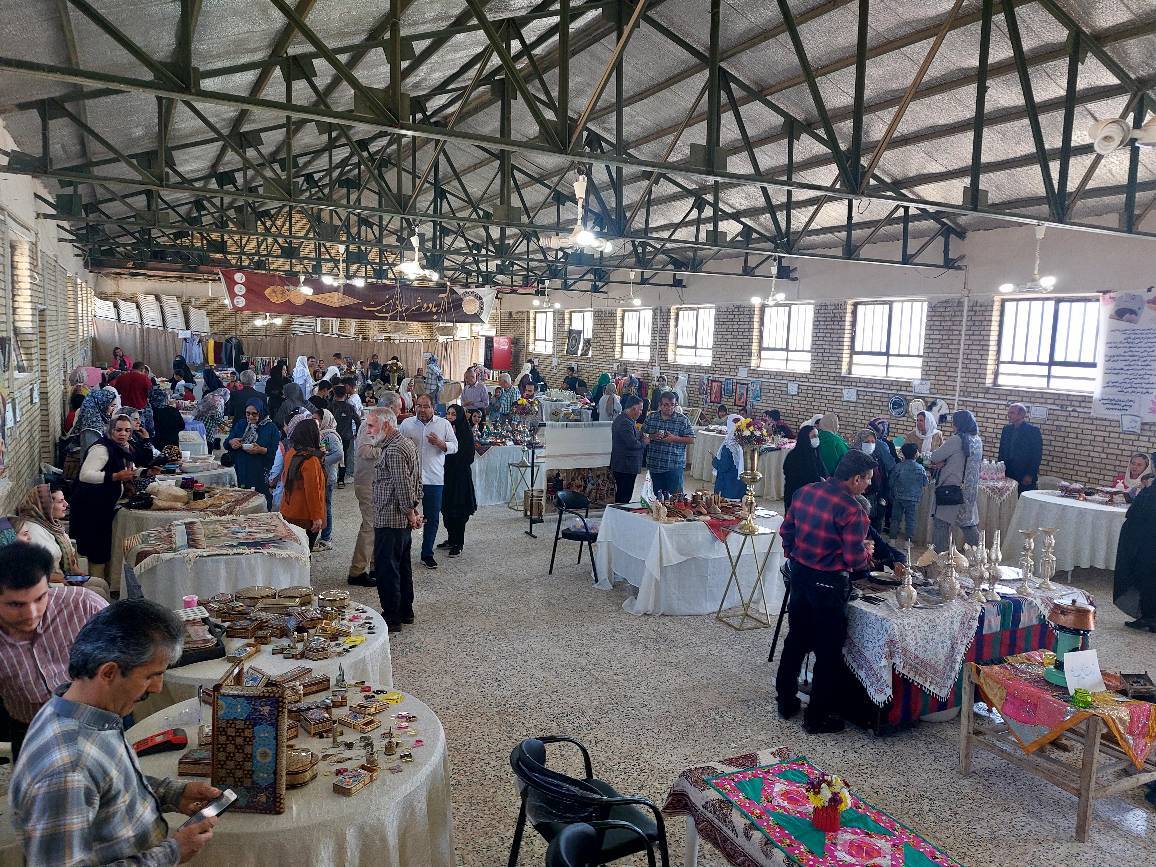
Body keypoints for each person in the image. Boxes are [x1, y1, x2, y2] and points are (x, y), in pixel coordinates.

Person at [10, 598, 219, 864]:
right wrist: (172, 853)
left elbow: (108, 784)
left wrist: (171, 793)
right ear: (109, 672)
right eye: (150, 676)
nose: (157, 688)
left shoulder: (78, 708)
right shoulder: (68, 769)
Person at [776, 450, 876, 734]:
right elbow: (855, 561)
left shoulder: (805, 492)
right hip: (830, 584)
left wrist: (798, 557)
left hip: (800, 576)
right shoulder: (852, 509)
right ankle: (816, 717)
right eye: (867, 480)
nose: (868, 485)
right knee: (828, 651)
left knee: (796, 639)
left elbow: (787, 532)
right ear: (856, 479)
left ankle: (785, 700)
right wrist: (866, 553)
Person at [0, 541, 107, 762]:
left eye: (40, 598)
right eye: (15, 605)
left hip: (96, 720)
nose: (31, 613)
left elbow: (130, 644)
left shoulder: (83, 605)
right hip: (30, 730)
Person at [371, 408, 423, 632]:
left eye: (372, 425)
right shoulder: (404, 443)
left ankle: (392, 616)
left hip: (391, 518)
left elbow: (403, 486)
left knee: (387, 569)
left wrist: (411, 513)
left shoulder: (394, 449)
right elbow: (416, 482)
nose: (368, 430)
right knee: (402, 566)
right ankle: (405, 610)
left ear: (386, 425)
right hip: (398, 517)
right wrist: (413, 510)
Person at [71, 414, 138, 580]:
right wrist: (114, 477)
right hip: (91, 507)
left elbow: (127, 472)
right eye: (119, 430)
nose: (123, 434)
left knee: (104, 547)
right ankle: (97, 588)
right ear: (110, 430)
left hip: (104, 506)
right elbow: (85, 475)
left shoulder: (123, 448)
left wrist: (145, 472)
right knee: (96, 549)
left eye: (127, 430)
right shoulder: (101, 449)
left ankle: (106, 586)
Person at [399, 394, 458, 569]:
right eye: (419, 406)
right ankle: (403, 553)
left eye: (425, 406)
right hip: (410, 479)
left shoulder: (443, 424)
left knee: (431, 518)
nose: (422, 410)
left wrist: (442, 444)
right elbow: (395, 445)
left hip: (434, 478)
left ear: (433, 408)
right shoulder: (407, 424)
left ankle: (427, 554)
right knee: (405, 516)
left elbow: (455, 446)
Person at [348, 402, 396, 587]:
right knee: (370, 526)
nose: (397, 414)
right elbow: (364, 450)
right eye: (396, 409)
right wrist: (387, 451)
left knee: (376, 526)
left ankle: (375, 565)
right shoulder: (370, 425)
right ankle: (357, 572)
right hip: (368, 483)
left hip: (376, 483)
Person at [929, 409, 983, 551]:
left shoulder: (957, 439)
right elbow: (961, 460)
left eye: (954, 423)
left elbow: (935, 457)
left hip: (952, 487)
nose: (953, 426)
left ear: (959, 424)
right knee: (968, 523)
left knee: (941, 523)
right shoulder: (977, 440)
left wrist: (943, 462)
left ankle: (938, 559)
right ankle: (980, 557)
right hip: (969, 489)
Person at [279, 416, 327, 550]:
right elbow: (313, 491)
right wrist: (317, 517)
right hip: (304, 515)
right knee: (305, 553)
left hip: (288, 510)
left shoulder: (292, 453)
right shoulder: (310, 461)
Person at [1115, 482, 1156, 631]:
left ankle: (1149, 618)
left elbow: (1134, 513)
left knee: (1147, 578)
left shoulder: (1151, 492)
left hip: (1148, 544)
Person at [439, 405, 477, 557]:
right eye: (448, 413)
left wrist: (453, 447)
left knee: (459, 511)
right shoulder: (444, 429)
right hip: (445, 475)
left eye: (454, 414)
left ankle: (458, 543)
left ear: (460, 416)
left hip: (460, 476)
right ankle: (451, 539)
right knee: (446, 509)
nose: (450, 417)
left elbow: (469, 456)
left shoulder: (464, 431)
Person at [642, 391, 695, 495]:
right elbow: (642, 435)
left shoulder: (682, 420)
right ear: (660, 405)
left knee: (675, 500)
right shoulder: (651, 418)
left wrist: (674, 438)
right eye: (666, 405)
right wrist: (652, 436)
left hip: (674, 466)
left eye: (673, 405)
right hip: (655, 465)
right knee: (656, 500)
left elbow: (692, 439)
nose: (670, 408)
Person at [226, 400, 279, 501]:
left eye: (254, 414)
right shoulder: (241, 424)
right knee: (240, 499)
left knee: (259, 500)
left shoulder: (271, 428)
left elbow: (276, 452)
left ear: (261, 412)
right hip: (241, 468)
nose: (250, 417)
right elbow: (227, 442)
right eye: (248, 413)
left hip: (260, 469)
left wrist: (261, 450)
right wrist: (232, 442)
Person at [313, 407, 343, 550]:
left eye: (317, 419)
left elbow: (338, 454)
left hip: (328, 476)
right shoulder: (320, 434)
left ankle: (326, 538)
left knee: (326, 506)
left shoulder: (330, 435)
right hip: (321, 475)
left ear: (324, 420)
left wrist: (321, 461)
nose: (315, 422)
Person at [997, 402, 1043, 492]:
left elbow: (1037, 455)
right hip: (1007, 471)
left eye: (1012, 413)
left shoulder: (1033, 431)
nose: (1008, 415)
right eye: (1008, 412)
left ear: (1021, 415)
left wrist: (1030, 474)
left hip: (1023, 473)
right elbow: (1001, 450)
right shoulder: (1006, 429)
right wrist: (999, 469)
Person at [889, 443, 929, 543]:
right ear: (916, 454)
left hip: (898, 496)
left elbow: (891, 481)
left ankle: (892, 540)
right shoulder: (920, 468)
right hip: (913, 498)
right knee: (911, 520)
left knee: (895, 519)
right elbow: (925, 483)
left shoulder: (898, 466)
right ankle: (908, 542)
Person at [608, 395, 645, 503]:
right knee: (624, 497)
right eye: (640, 409)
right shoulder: (625, 422)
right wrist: (644, 442)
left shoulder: (625, 419)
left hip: (624, 465)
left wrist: (640, 435)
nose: (641, 412)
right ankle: (620, 518)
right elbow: (632, 444)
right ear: (634, 409)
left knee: (623, 495)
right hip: (625, 465)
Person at [782, 424, 827, 510]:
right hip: (797, 495)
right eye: (813, 436)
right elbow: (797, 476)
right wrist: (818, 480)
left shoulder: (815, 453)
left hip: (814, 497)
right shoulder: (794, 456)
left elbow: (822, 470)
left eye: (817, 436)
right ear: (805, 438)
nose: (816, 439)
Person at [69, 386, 120, 454]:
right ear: (102, 404)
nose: (113, 409)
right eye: (112, 406)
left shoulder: (99, 419)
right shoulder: (92, 426)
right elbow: (92, 452)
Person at [852, 429, 885, 526]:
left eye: (873, 442)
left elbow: (882, 478)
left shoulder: (876, 457)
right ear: (860, 441)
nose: (870, 444)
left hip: (874, 498)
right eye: (866, 442)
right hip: (858, 498)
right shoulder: (852, 457)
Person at [331, 385, 361, 488]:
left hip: (333, 435)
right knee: (344, 457)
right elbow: (358, 420)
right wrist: (357, 432)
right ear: (345, 394)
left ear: (334, 394)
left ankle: (331, 476)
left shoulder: (331, 406)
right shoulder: (349, 407)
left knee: (330, 454)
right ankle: (341, 479)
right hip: (346, 435)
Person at [713, 414, 747, 499]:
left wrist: (714, 461)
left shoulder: (729, 446)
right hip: (739, 484)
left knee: (727, 508)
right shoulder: (742, 444)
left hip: (728, 485)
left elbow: (724, 467)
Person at [149, 386, 184, 451]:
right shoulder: (173, 411)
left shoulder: (151, 413)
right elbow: (182, 426)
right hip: (173, 445)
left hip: (156, 446)